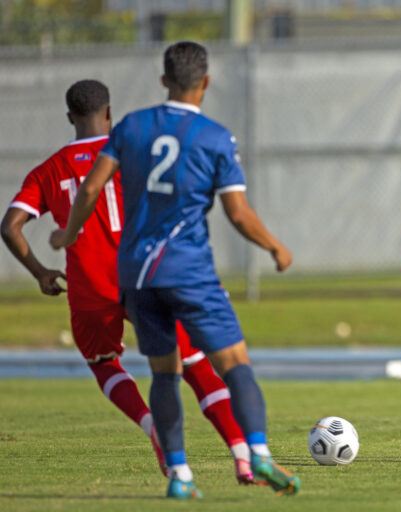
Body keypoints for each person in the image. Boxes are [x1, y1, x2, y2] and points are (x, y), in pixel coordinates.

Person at [49, 42, 299, 499]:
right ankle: (257, 452)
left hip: (138, 277)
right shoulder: (215, 136)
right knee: (235, 363)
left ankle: (181, 475)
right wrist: (275, 246)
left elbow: (90, 189)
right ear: (205, 83)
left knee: (165, 374)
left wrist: (67, 235)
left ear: (163, 80)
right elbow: (238, 214)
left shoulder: (131, 127)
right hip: (190, 272)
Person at [0, 79, 259, 485]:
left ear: (70, 117)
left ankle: (150, 425)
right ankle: (243, 456)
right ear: (109, 113)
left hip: (88, 287)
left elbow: (10, 226)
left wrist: (41, 272)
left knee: (104, 363)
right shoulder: (130, 153)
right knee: (193, 365)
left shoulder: (48, 170)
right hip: (144, 275)